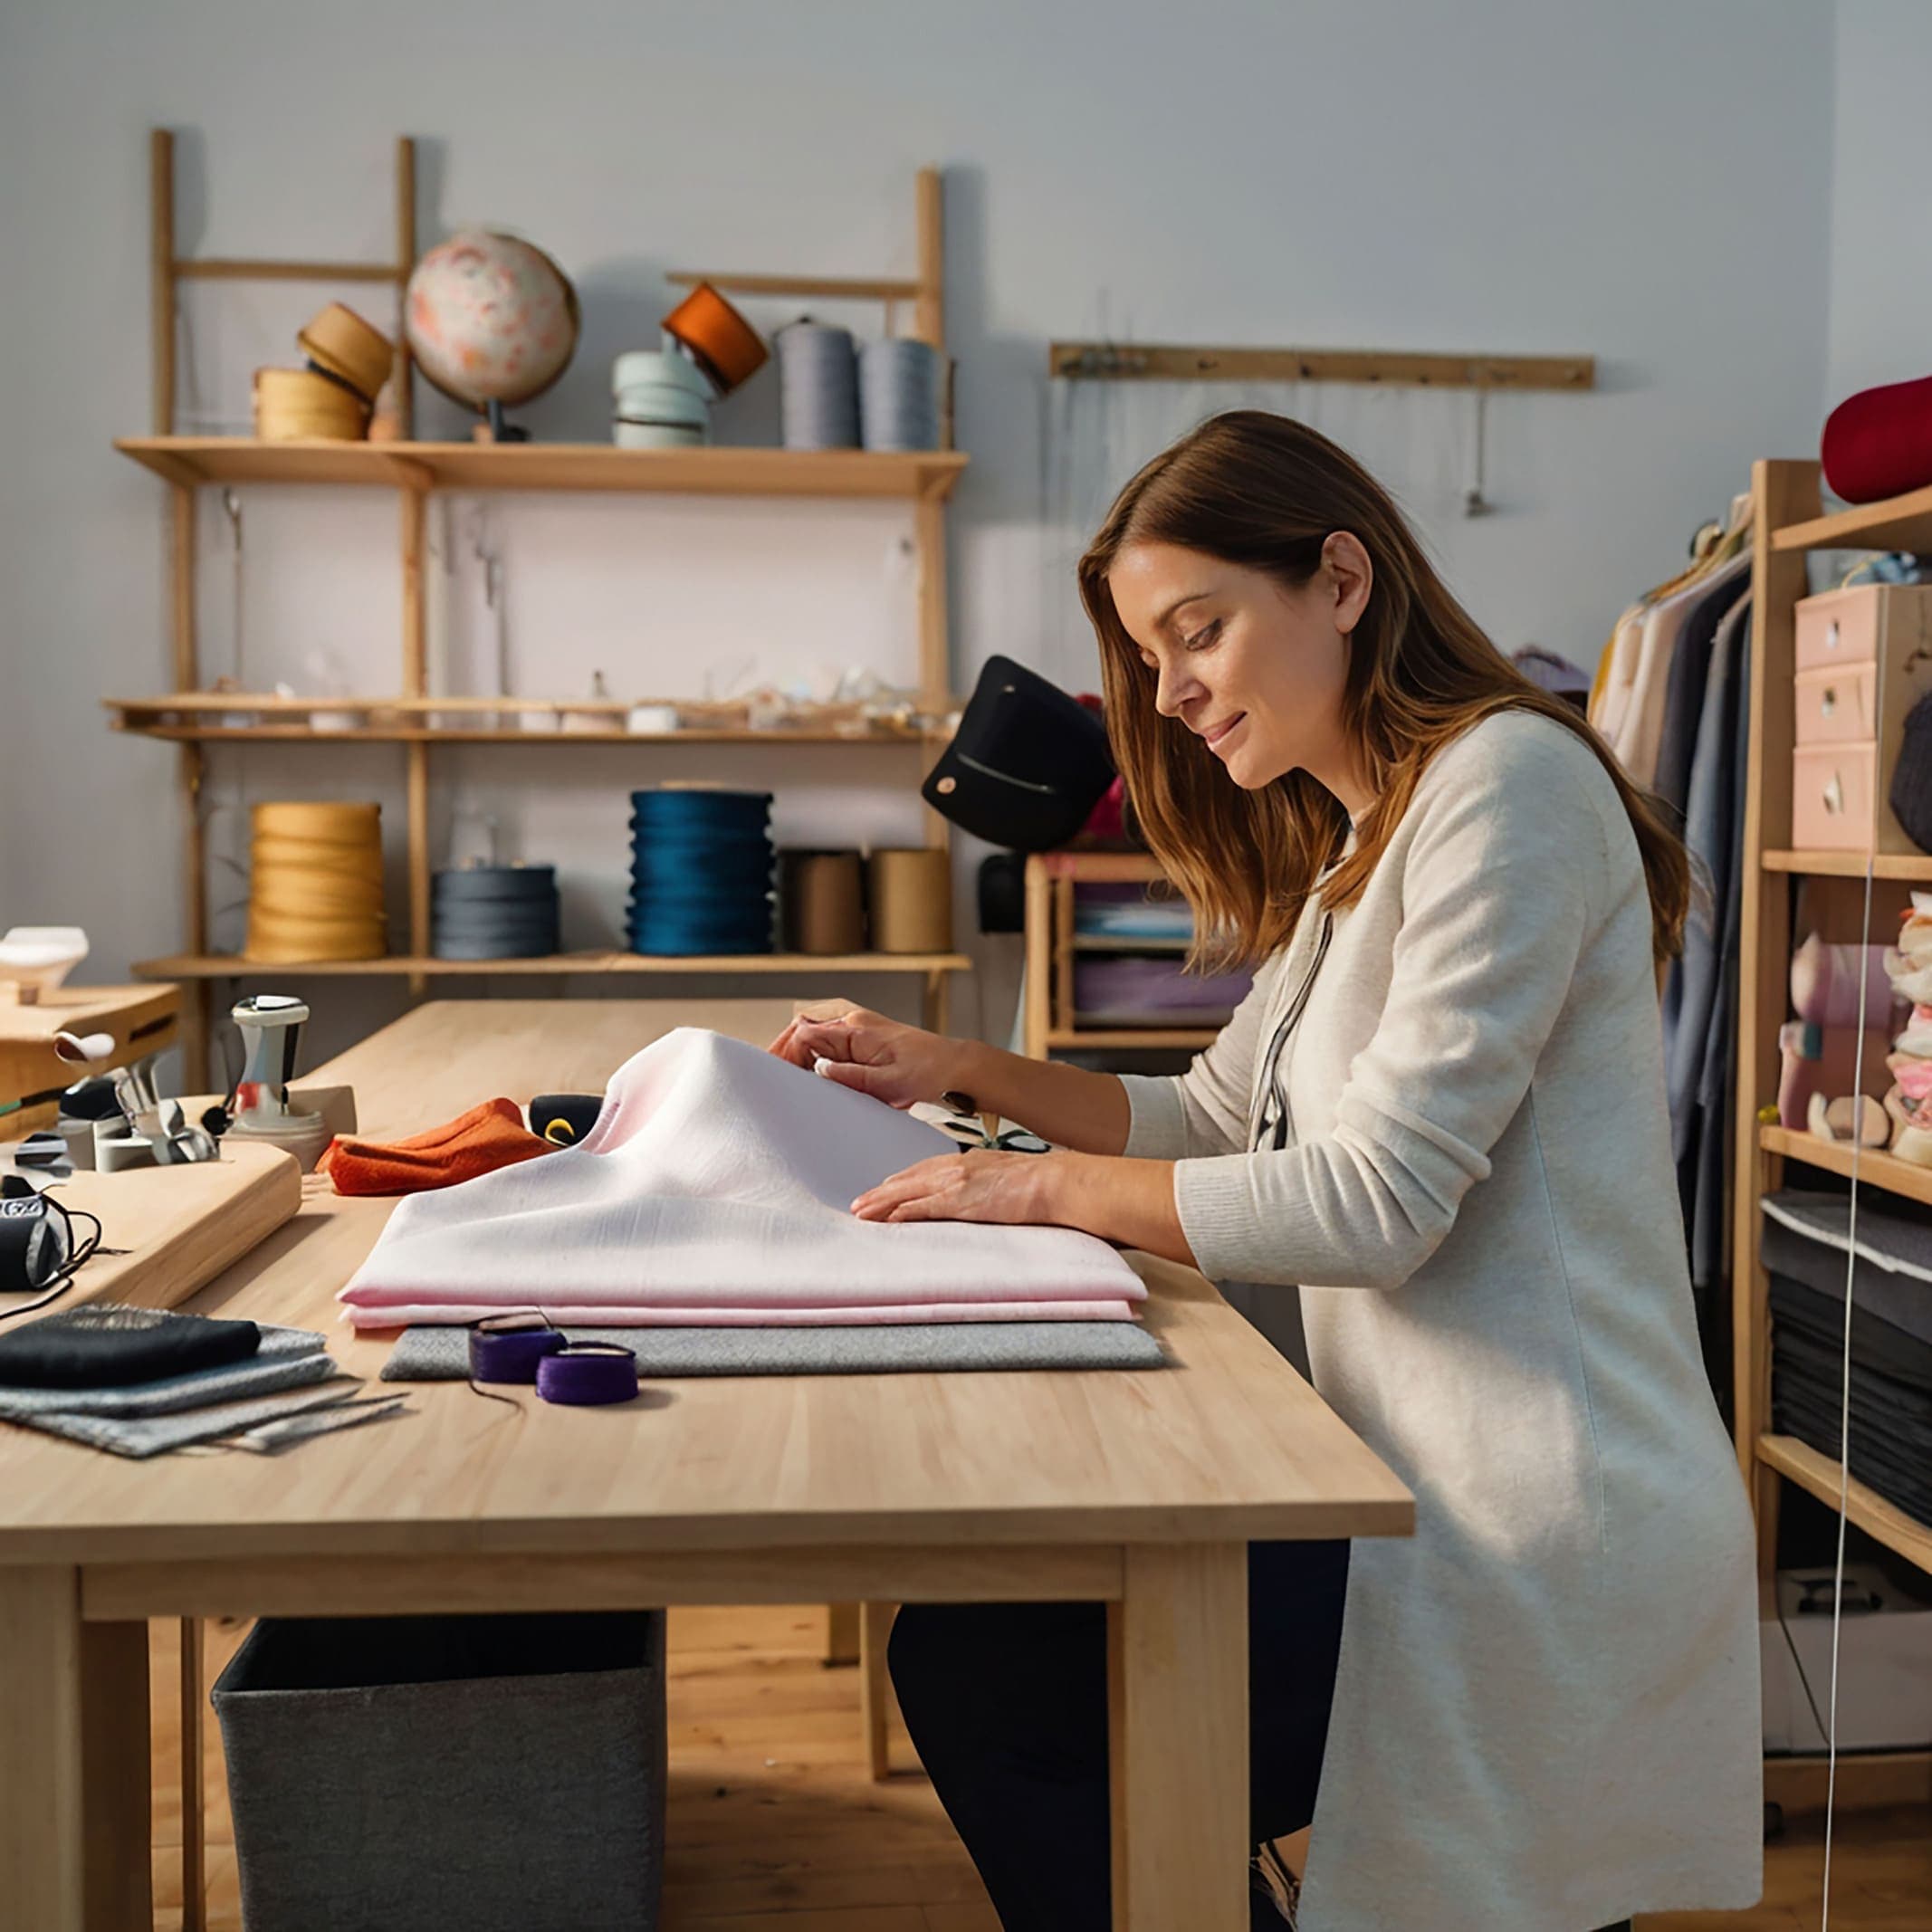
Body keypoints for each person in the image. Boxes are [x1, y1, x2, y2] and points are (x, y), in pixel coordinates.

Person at [767, 412, 1761, 1931]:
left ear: (1341, 578)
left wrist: (1022, 1187)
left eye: (1196, 632)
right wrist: (955, 1068)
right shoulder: (1372, 835)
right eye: (1149, 655)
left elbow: (1370, 1206)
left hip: (1531, 1518)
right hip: (1405, 1477)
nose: (1166, 694)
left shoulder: (1508, 791)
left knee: (1005, 1687)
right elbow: (1216, 1115)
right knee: (984, 1666)